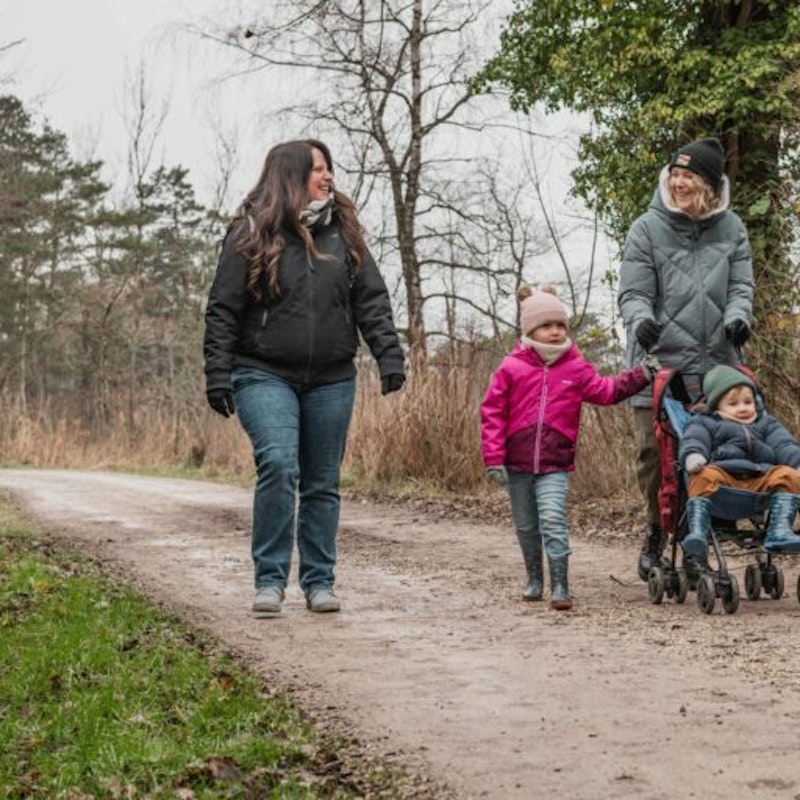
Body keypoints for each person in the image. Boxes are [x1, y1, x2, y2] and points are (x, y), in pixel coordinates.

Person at [204, 138, 406, 615]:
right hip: (262, 372)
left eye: (328, 167)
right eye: (317, 168)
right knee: (278, 463)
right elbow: (223, 309)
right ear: (290, 176)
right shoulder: (250, 233)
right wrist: (217, 372)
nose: (327, 175)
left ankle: (319, 582)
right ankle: (269, 580)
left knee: (321, 481)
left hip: (332, 377)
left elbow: (371, 300)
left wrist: (389, 356)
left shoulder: (344, 232)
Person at [617, 137, 755, 582]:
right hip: (658, 361)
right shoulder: (646, 229)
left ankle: (702, 534)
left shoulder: (732, 229)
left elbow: (740, 289)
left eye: (689, 176)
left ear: (710, 186)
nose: (679, 183)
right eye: (674, 174)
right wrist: (640, 322)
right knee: (653, 456)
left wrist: (738, 319)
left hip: (716, 365)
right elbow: (634, 292)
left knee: (711, 453)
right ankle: (656, 532)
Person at [480, 285, 659, 610]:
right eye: (547, 326)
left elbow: (606, 391)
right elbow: (491, 412)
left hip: (555, 463)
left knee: (552, 519)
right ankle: (535, 578)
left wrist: (641, 375)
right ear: (530, 329)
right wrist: (493, 458)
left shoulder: (574, 367)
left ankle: (560, 584)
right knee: (526, 525)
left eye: (560, 325)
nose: (555, 331)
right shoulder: (511, 367)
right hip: (516, 464)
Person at [679, 365, 800, 577]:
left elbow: (784, 445)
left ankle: (779, 531)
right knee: (702, 475)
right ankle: (698, 532)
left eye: (748, 402)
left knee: (788, 475)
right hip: (723, 484)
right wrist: (694, 455)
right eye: (733, 403)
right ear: (717, 405)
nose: (743, 408)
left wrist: (796, 463)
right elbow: (693, 439)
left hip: (760, 482)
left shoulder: (766, 424)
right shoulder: (705, 423)